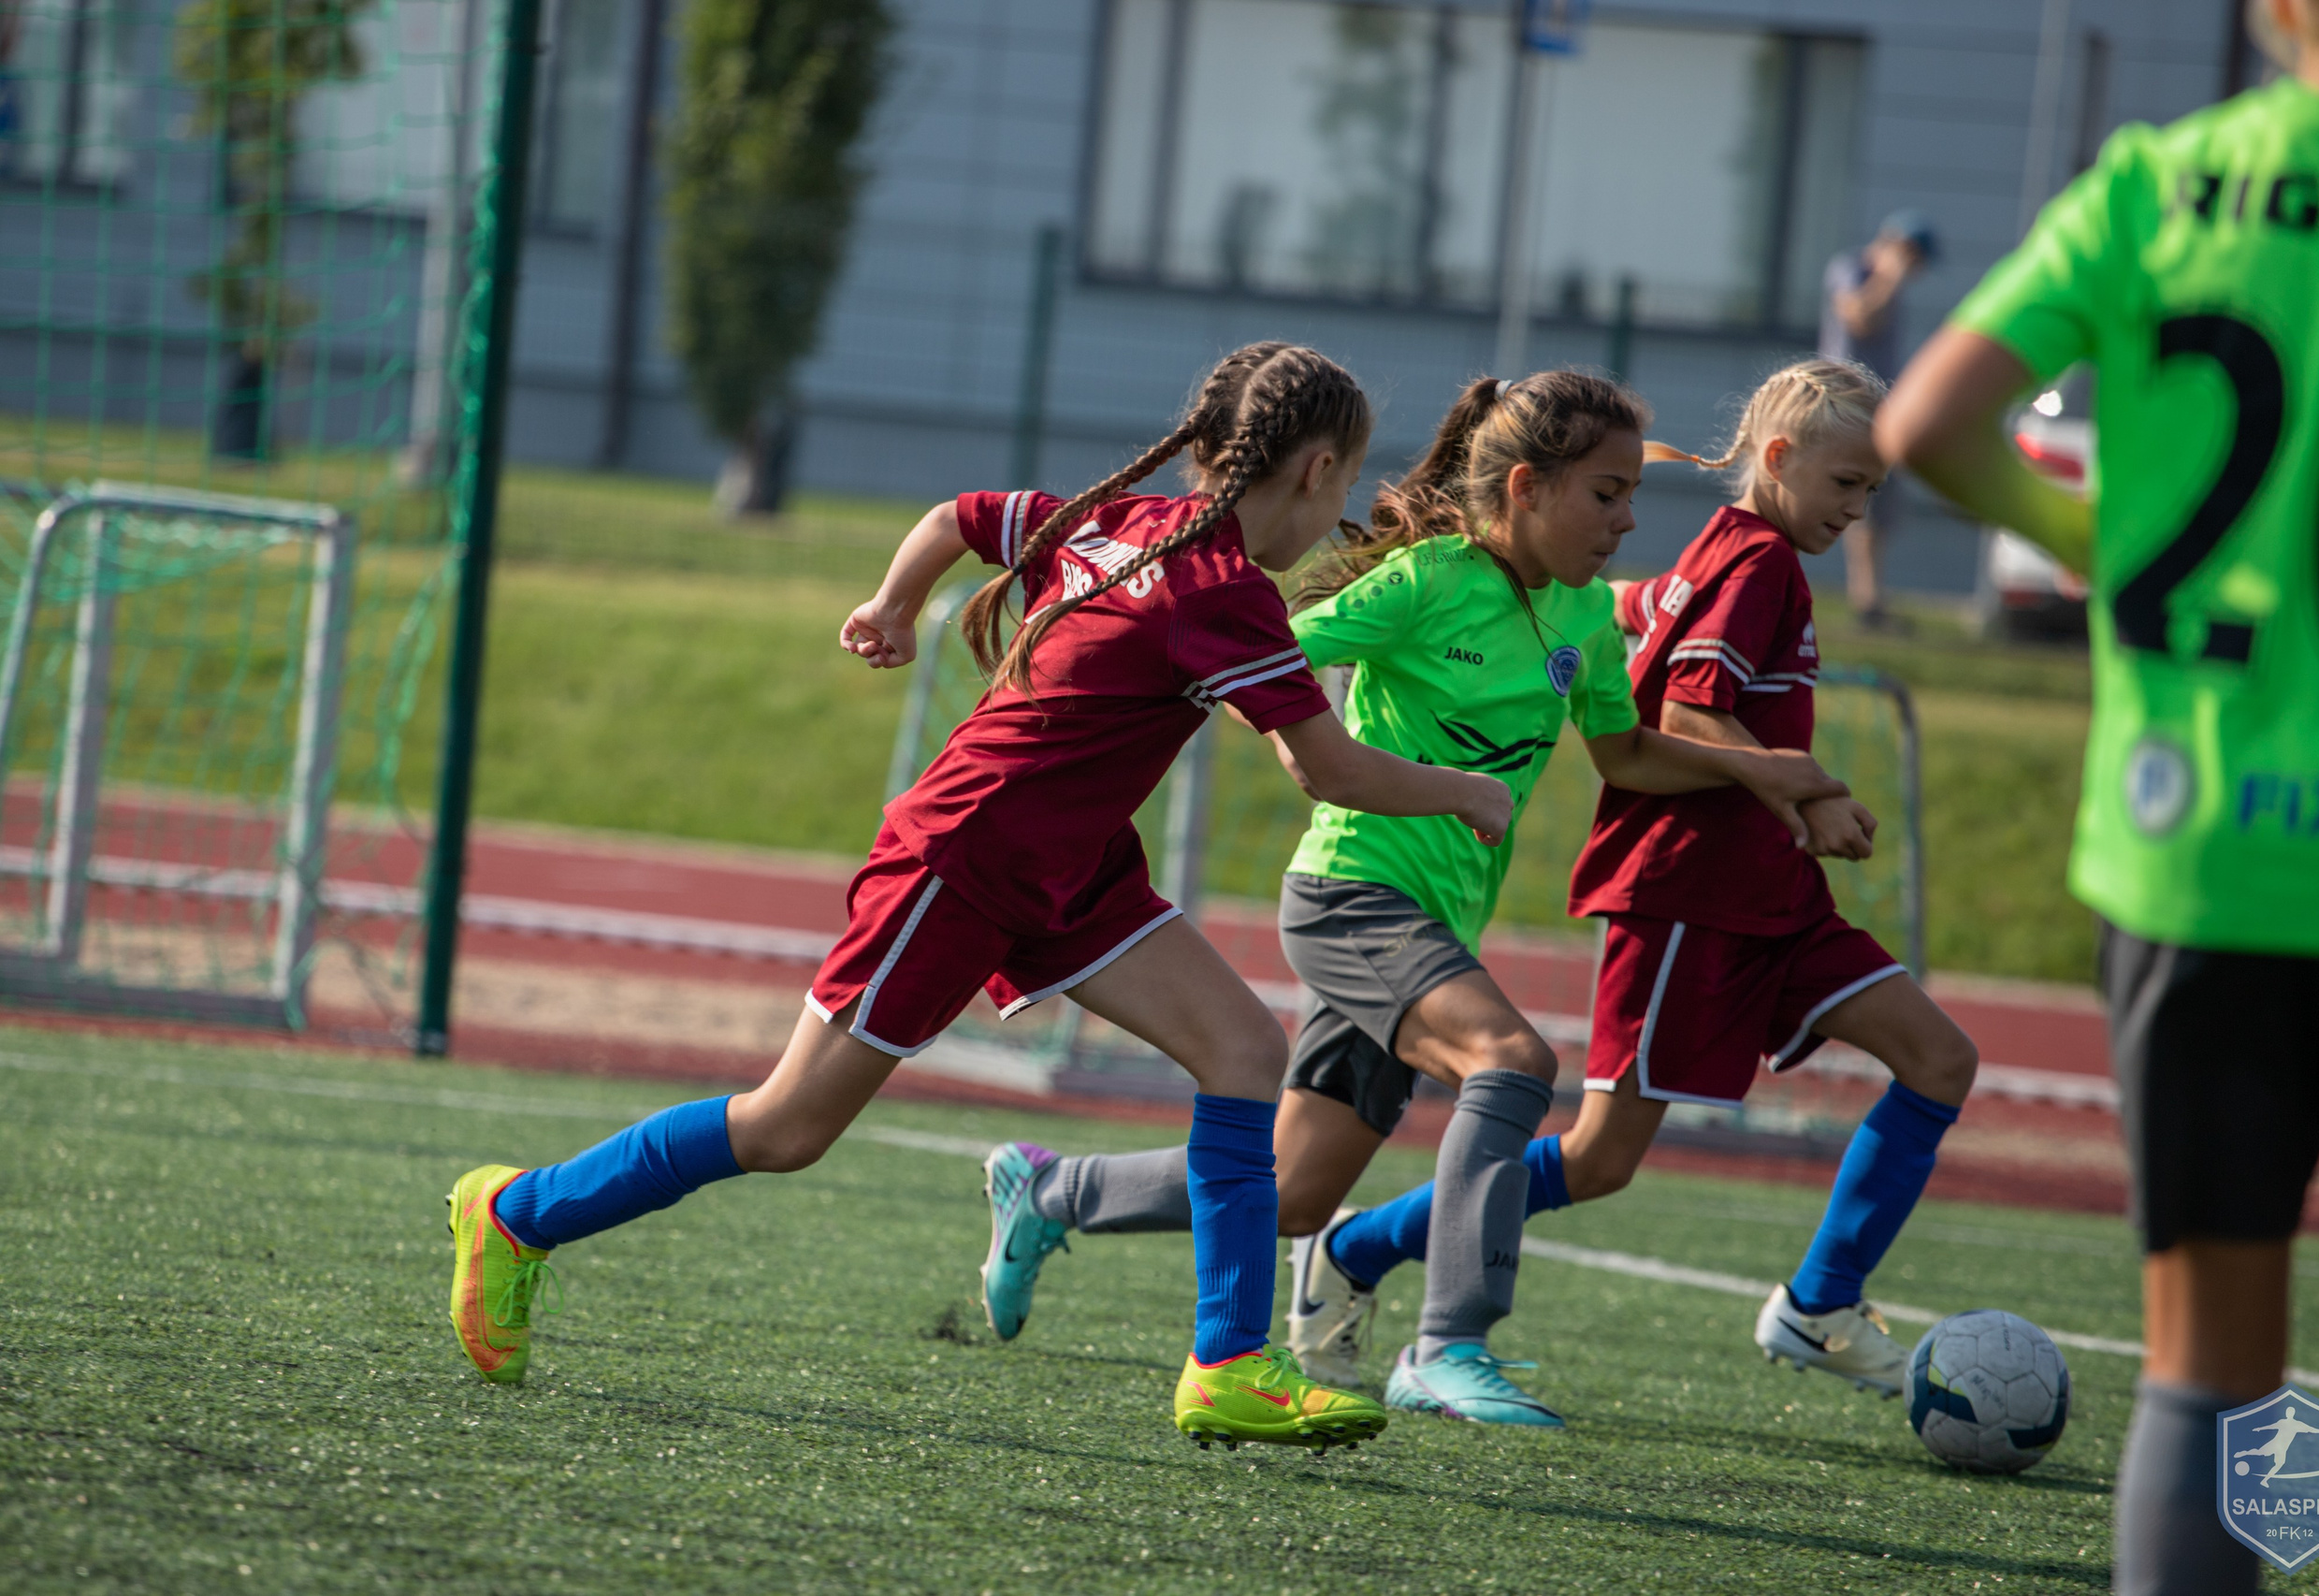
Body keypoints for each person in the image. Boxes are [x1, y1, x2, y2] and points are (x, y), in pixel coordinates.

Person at [442, 342, 1523, 1456]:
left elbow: (959, 516)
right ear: (1317, 467)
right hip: (960, 860)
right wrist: (1465, 790)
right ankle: (517, 1212)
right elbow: (1325, 767)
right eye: (1346, 482)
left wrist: (892, 603)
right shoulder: (1219, 590)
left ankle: (1229, 1364)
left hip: (1067, 866)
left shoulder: (1120, 522)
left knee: (1245, 1052)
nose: (1340, 508)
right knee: (785, 1126)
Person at [976, 370, 1847, 1426]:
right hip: (1354, 894)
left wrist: (1772, 774)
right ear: (1526, 488)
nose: (1627, 521)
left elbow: (1623, 754)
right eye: (1606, 494)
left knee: (1294, 1187)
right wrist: (1307, 746)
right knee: (1511, 1060)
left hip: (1433, 924)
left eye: (1630, 496)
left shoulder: (1582, 612)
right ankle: (1446, 1345)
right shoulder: (1429, 580)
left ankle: (1049, 1191)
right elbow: (1268, 651)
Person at [1876, 2, 2319, 1588]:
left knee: (2215, 1357)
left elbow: (1927, 423)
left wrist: (2104, 547)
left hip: (2200, 849)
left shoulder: (2158, 185)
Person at [1325, 359, 1982, 1399]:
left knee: (1939, 1057)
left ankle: (1819, 1301)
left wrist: (1787, 796)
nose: (1859, 509)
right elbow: (1685, 711)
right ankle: (1359, 1249)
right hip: (1691, 895)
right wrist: (1803, 789)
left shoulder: (1738, 549)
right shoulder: (1758, 561)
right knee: (1597, 1159)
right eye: (1847, 483)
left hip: (1771, 894)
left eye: (1872, 489)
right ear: (1778, 458)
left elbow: (1644, 618)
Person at [1820, 210, 1936, 629]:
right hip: (1845, 406)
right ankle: (1866, 602)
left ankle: (1870, 600)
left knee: (1876, 502)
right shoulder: (1851, 268)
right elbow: (1859, 317)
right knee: (1851, 497)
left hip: (1879, 409)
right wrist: (1889, 276)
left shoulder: (1893, 287)